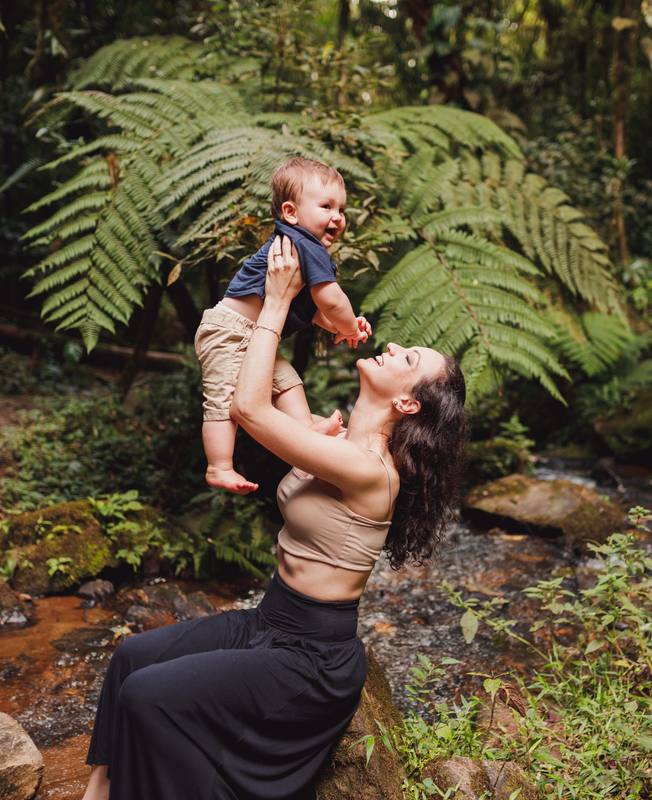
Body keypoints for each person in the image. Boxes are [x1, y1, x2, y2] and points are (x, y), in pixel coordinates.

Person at [80, 234, 468, 800]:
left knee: (148, 696)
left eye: (408, 359)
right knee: (132, 658)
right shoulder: (326, 431)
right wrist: (252, 319)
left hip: (311, 659)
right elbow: (261, 378)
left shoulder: (370, 470)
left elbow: (248, 408)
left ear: (408, 403)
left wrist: (280, 300)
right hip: (269, 621)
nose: (392, 346)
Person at [195, 156, 373, 495]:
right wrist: (348, 326)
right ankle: (219, 466)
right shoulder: (306, 244)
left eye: (342, 209)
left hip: (255, 333)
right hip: (228, 331)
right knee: (222, 400)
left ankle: (304, 426)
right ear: (291, 213)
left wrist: (337, 326)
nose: (338, 217)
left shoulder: (303, 246)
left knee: (288, 383)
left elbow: (312, 307)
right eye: (326, 206)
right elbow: (332, 300)